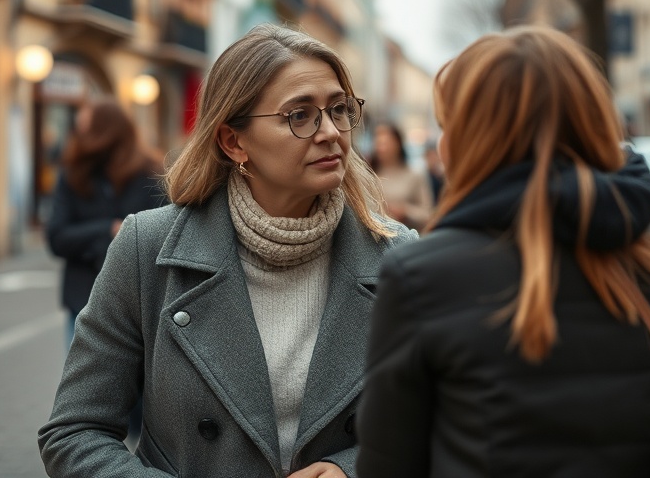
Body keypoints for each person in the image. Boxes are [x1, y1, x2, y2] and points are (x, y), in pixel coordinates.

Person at [39, 24, 416, 478]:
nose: (331, 132)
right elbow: (74, 432)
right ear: (233, 141)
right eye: (299, 115)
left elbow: (433, 418)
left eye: (339, 109)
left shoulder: (397, 257)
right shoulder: (148, 249)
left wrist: (352, 469)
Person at [356, 27, 650, 478]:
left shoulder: (422, 275)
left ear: (474, 138)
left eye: (449, 124)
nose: (441, 143)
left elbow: (390, 463)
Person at [46, 98, 166, 347]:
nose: (79, 134)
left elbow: (166, 235)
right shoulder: (73, 174)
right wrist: (108, 229)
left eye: (87, 128)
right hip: (83, 298)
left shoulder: (150, 175)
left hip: (139, 302)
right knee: (81, 384)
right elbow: (57, 238)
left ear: (107, 131)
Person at [369, 122, 433, 230]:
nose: (381, 148)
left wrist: (405, 211)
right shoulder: (369, 174)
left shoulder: (414, 174)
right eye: (378, 143)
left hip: (406, 236)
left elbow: (428, 213)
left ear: (398, 144)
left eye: (386, 143)